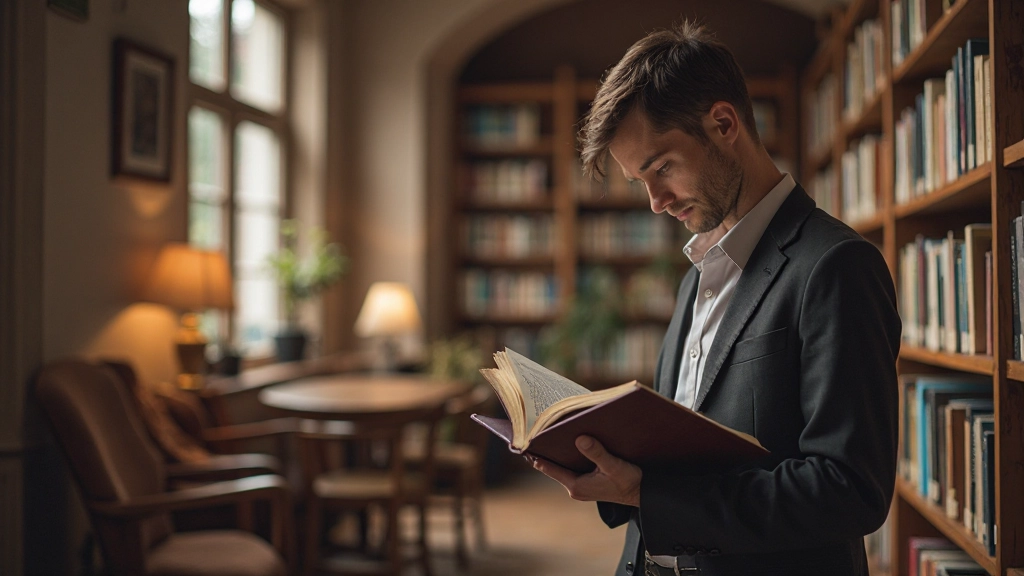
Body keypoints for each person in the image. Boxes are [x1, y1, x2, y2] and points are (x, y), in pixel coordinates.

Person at [530, 21, 901, 576]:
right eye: (641, 182)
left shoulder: (835, 266)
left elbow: (848, 489)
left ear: (723, 123)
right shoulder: (695, 276)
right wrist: (611, 469)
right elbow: (685, 453)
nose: (656, 202)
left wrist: (653, 497)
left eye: (662, 169)